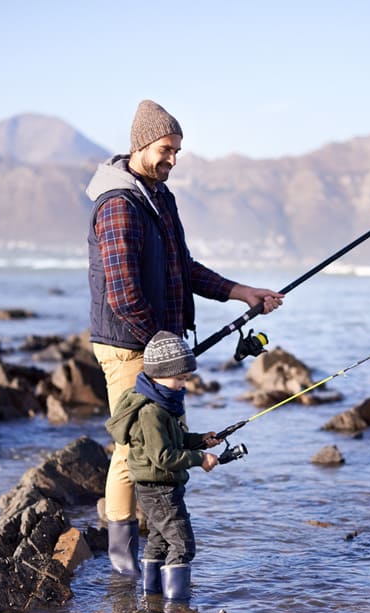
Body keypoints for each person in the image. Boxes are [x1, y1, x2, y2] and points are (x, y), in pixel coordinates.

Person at [86, 99, 283, 576]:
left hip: (157, 347)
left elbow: (183, 268)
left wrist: (241, 293)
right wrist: (164, 353)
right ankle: (121, 560)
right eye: (166, 149)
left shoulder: (158, 196)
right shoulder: (118, 205)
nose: (173, 159)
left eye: (177, 150)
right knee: (133, 450)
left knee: (162, 443)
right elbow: (123, 294)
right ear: (141, 145)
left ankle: (153, 549)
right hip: (130, 346)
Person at [105, 331, 220, 599]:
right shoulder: (151, 412)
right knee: (182, 545)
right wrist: (200, 460)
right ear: (159, 373)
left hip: (156, 487)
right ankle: (177, 607)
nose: (183, 385)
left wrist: (201, 441)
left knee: (158, 541)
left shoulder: (161, 402)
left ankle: (153, 598)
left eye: (185, 379)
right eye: (179, 378)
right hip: (160, 489)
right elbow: (164, 457)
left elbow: (175, 440)